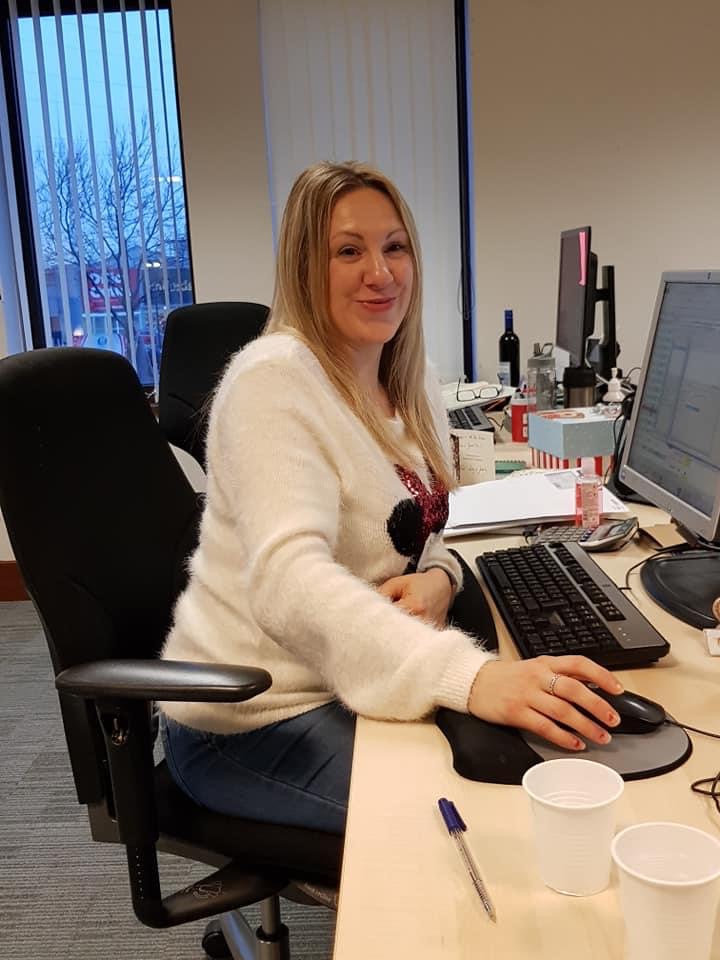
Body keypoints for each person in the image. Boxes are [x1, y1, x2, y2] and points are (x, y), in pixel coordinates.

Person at [160, 161, 624, 836]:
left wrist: (440, 577)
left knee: (546, 774)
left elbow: (429, 526)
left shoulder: (405, 378)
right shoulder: (272, 383)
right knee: (488, 826)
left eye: (395, 246)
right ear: (304, 267)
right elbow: (288, 582)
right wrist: (471, 679)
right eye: (348, 251)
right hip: (252, 716)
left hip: (354, 681)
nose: (380, 273)